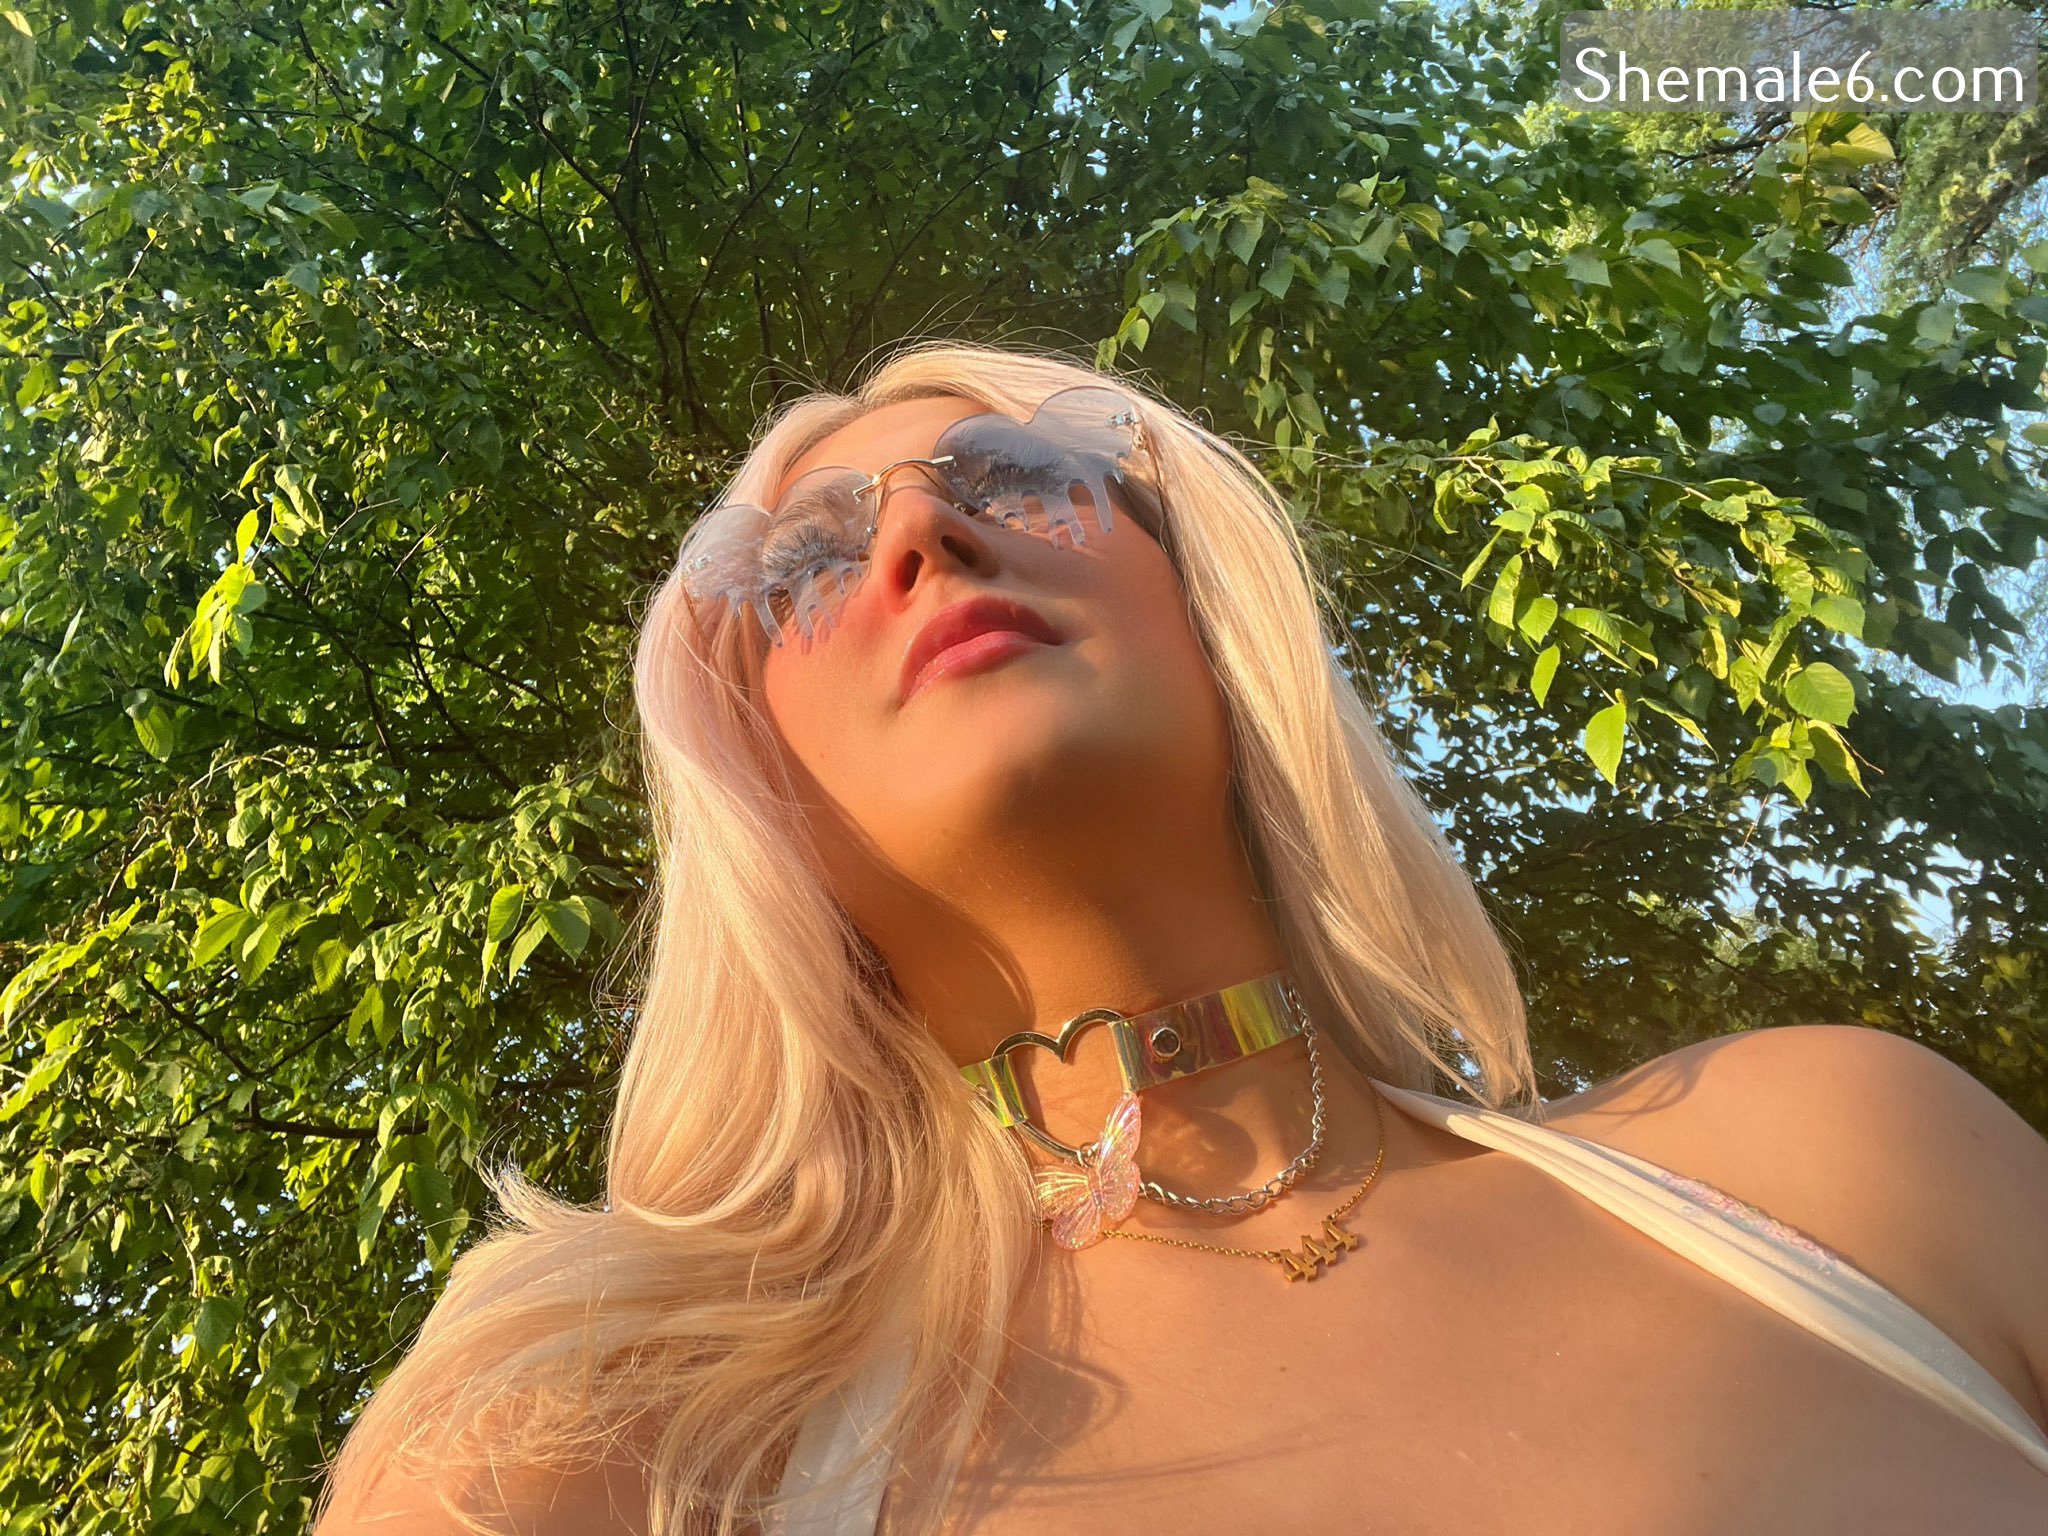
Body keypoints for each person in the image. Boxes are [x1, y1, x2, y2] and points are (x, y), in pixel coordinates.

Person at [312, 341, 2048, 1535]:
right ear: (757, 779)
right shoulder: (615, 1442)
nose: (921, 530)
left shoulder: (1845, 1163)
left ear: (1212, 612)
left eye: (1016, 475)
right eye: (802, 564)